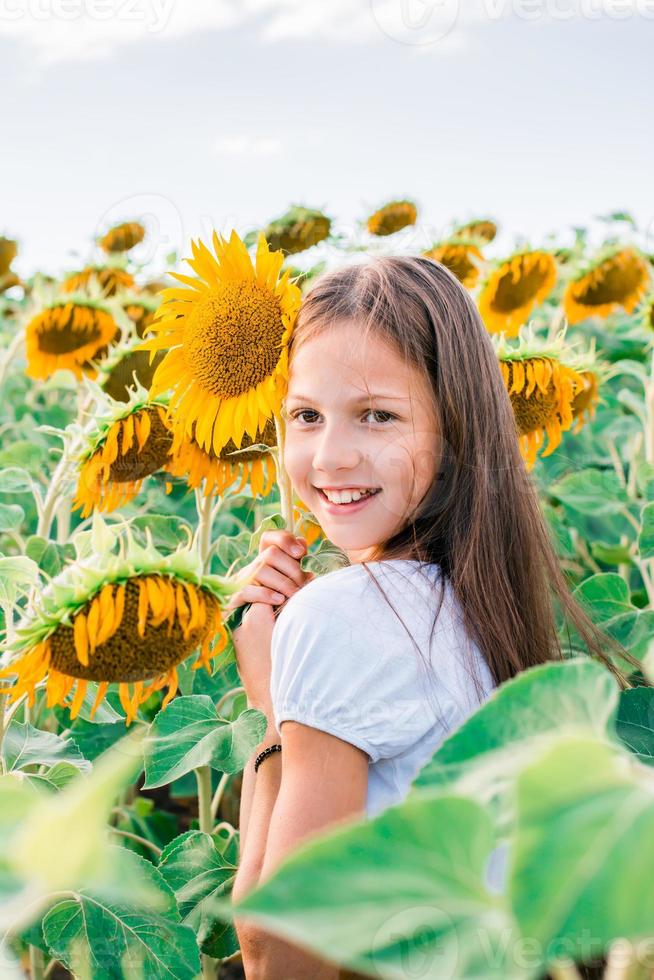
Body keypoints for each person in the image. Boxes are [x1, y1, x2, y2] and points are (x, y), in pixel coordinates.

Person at [227, 255, 638, 980]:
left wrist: (272, 714)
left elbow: (280, 955)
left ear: (454, 431)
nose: (331, 455)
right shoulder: (487, 601)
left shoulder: (339, 615)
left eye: (377, 415)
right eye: (307, 416)